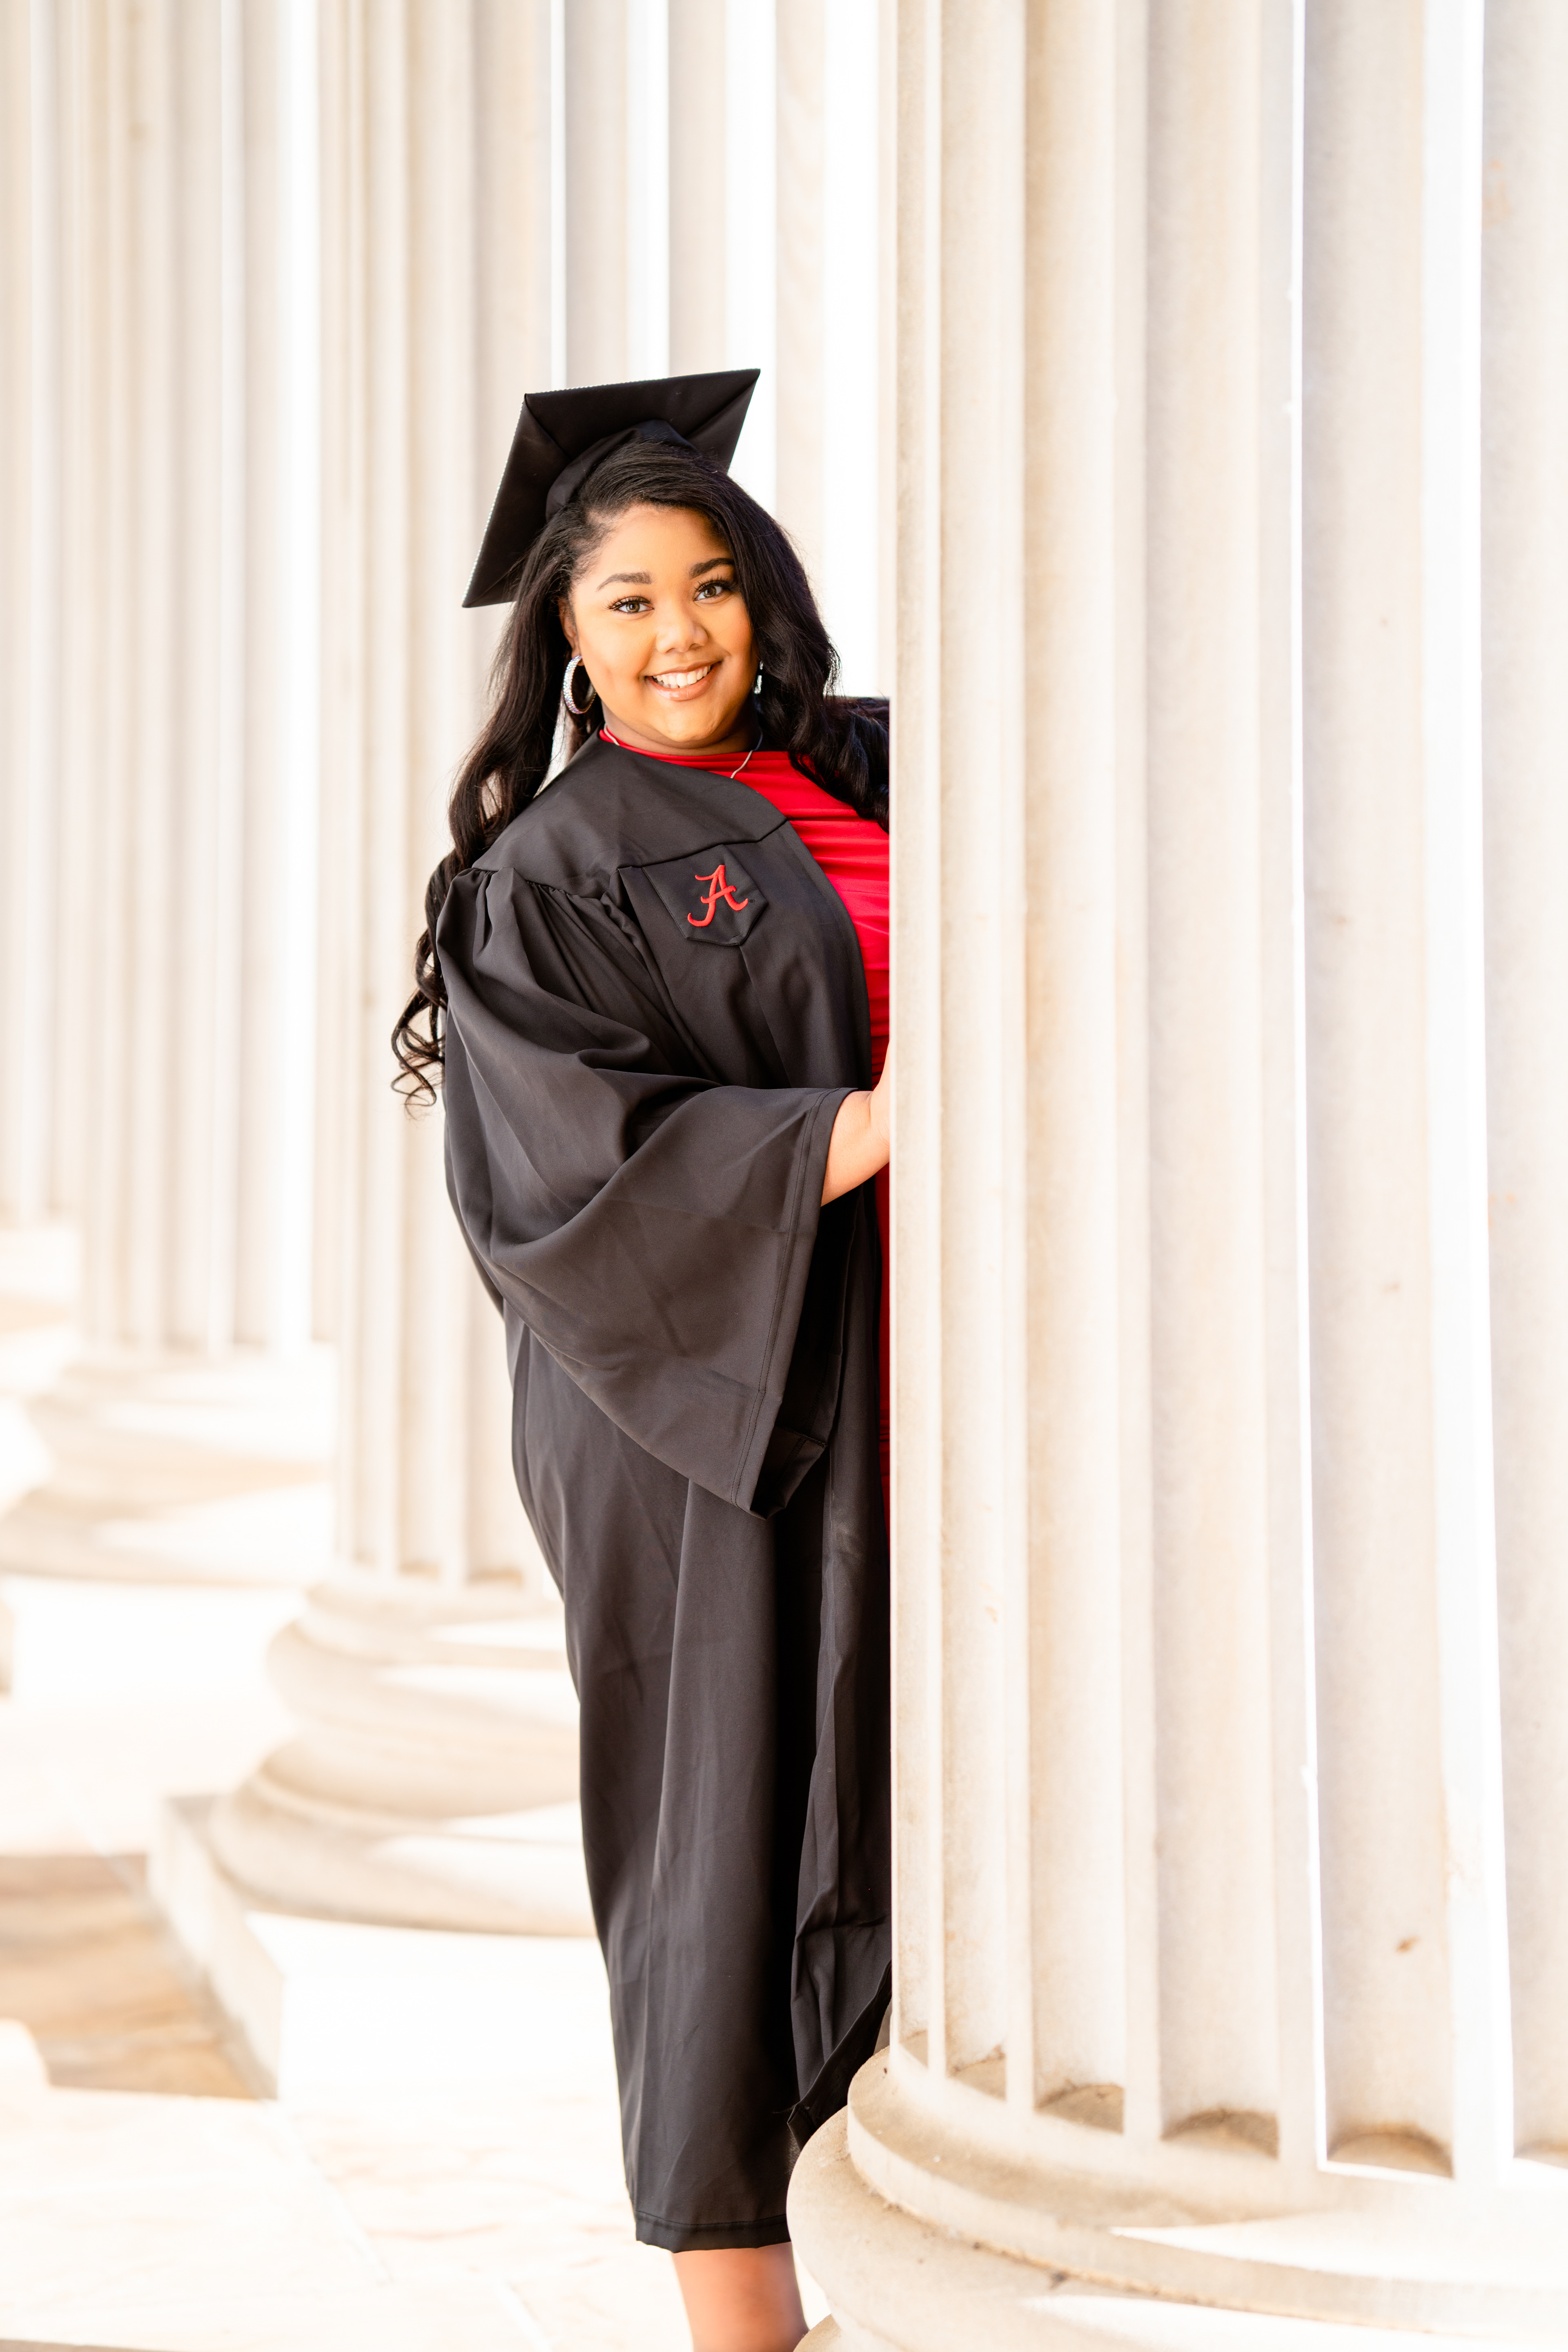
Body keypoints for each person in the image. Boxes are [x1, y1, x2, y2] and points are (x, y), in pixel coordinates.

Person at [394, 371, 891, 2352]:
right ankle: (741, 2323)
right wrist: (882, 1127)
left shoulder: (868, 769)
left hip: (899, 1359)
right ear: (567, 638)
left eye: (712, 587)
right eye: (627, 603)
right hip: (701, 1405)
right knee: (721, 1813)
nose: (680, 634)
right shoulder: (557, 867)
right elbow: (574, 1177)